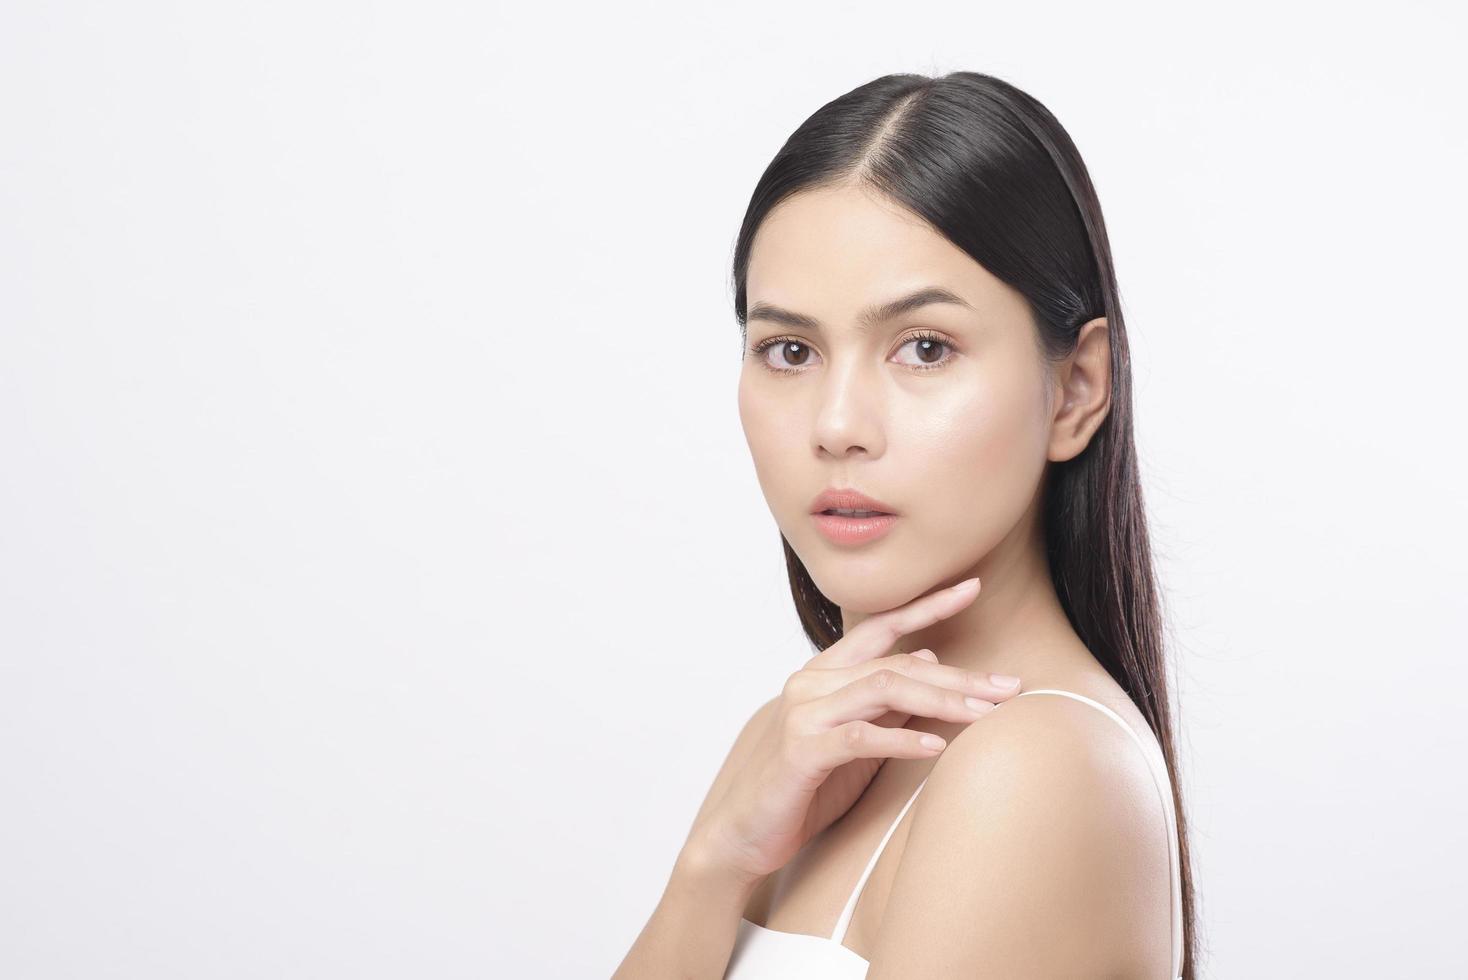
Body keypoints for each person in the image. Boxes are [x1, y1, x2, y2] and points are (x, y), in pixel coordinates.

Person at [614, 70, 1194, 980]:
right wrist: (710, 867)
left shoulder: (1034, 769)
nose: (837, 425)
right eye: (790, 351)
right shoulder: (803, 749)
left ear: (1076, 389)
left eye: (925, 347)